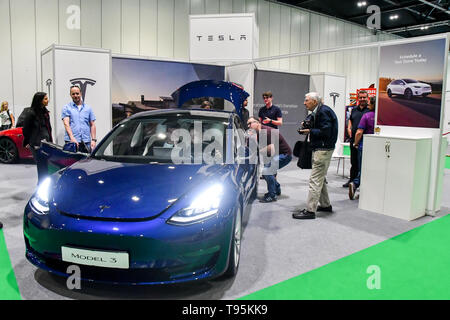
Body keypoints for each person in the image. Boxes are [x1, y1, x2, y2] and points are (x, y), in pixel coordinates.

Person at [293, 92, 338, 220]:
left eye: (306, 100)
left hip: (322, 150)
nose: (304, 103)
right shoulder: (321, 111)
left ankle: (310, 210)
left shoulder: (323, 112)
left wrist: (309, 131)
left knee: (315, 180)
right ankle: (325, 205)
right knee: (321, 178)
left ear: (314, 101)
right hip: (322, 148)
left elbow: (326, 132)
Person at [247, 116, 292, 203]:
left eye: (250, 123)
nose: (249, 126)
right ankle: (276, 189)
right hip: (275, 155)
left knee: (267, 171)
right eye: (248, 124)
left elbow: (271, 149)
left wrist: (258, 150)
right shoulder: (258, 132)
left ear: (257, 123)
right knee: (267, 171)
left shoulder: (266, 132)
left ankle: (272, 195)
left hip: (284, 155)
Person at [22, 92, 53, 184]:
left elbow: (48, 128)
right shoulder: (31, 113)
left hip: (46, 143)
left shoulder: (45, 112)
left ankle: (45, 185)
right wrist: (28, 141)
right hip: (36, 144)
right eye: (45, 99)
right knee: (41, 167)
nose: (48, 100)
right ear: (39, 101)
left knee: (46, 166)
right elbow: (26, 129)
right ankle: (41, 186)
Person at [349, 96, 376, 200]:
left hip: (364, 146)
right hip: (376, 146)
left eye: (370, 103)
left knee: (362, 168)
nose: (368, 104)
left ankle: (355, 183)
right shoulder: (380, 117)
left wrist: (356, 143)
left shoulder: (366, 116)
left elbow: (359, 132)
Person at [343, 90, 369, 188]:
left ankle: (360, 182)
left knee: (362, 162)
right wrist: (349, 130)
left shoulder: (370, 110)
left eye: (364, 97)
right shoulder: (354, 109)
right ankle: (352, 180)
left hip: (364, 140)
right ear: (358, 98)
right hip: (353, 140)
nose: (362, 99)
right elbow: (350, 121)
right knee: (353, 161)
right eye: (360, 97)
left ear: (368, 98)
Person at [62, 85, 97, 153]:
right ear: (70, 95)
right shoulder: (66, 107)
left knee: (86, 162)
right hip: (72, 142)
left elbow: (92, 125)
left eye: (77, 93)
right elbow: (66, 123)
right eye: (73, 94)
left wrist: (93, 140)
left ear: (80, 93)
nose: (75, 95)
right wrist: (72, 138)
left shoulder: (88, 108)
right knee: (71, 163)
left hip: (86, 142)